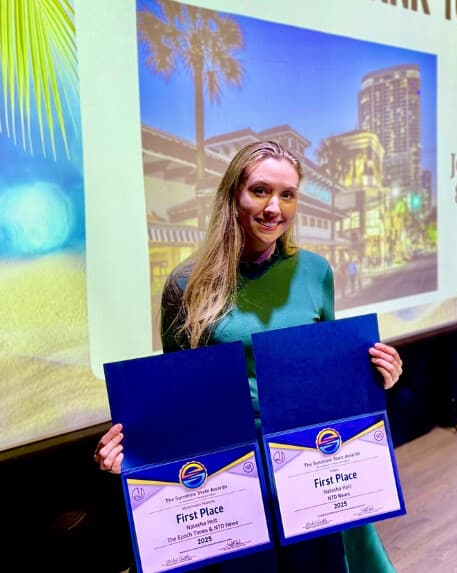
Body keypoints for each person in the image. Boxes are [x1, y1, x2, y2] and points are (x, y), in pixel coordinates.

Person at [94, 140, 403, 572]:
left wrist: (378, 374)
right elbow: (174, 402)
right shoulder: (186, 284)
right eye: (260, 191)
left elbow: (335, 374)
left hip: (309, 462)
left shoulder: (316, 272)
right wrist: (133, 452)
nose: (274, 207)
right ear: (232, 195)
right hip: (233, 477)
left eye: (287, 194)